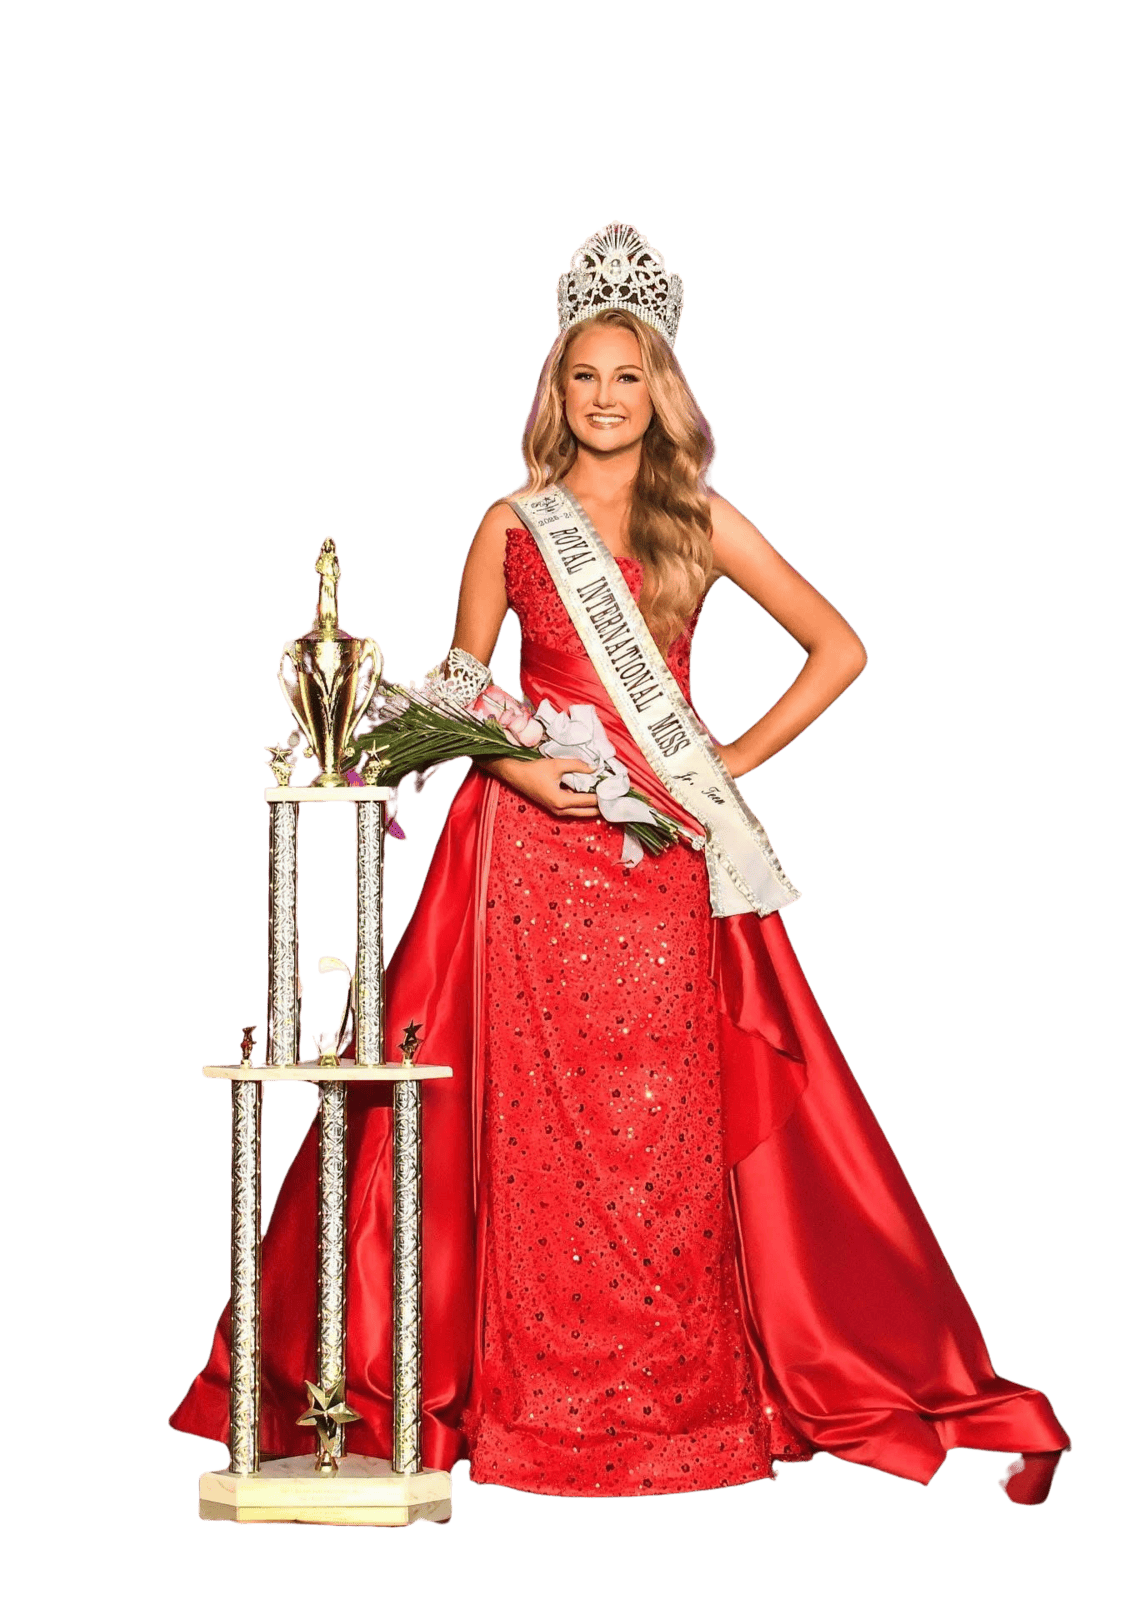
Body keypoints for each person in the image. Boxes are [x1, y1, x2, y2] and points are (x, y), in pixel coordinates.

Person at [171, 220, 1070, 1505]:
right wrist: (524, 767)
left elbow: (840, 644)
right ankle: (528, 1402)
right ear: (557, 390)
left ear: (664, 391)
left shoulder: (700, 516)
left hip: (658, 869)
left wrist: (733, 753)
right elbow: (460, 688)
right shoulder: (511, 522)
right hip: (527, 866)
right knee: (529, 1131)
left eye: (627, 376)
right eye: (583, 376)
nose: (604, 398)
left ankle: (680, 1402)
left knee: (661, 1131)